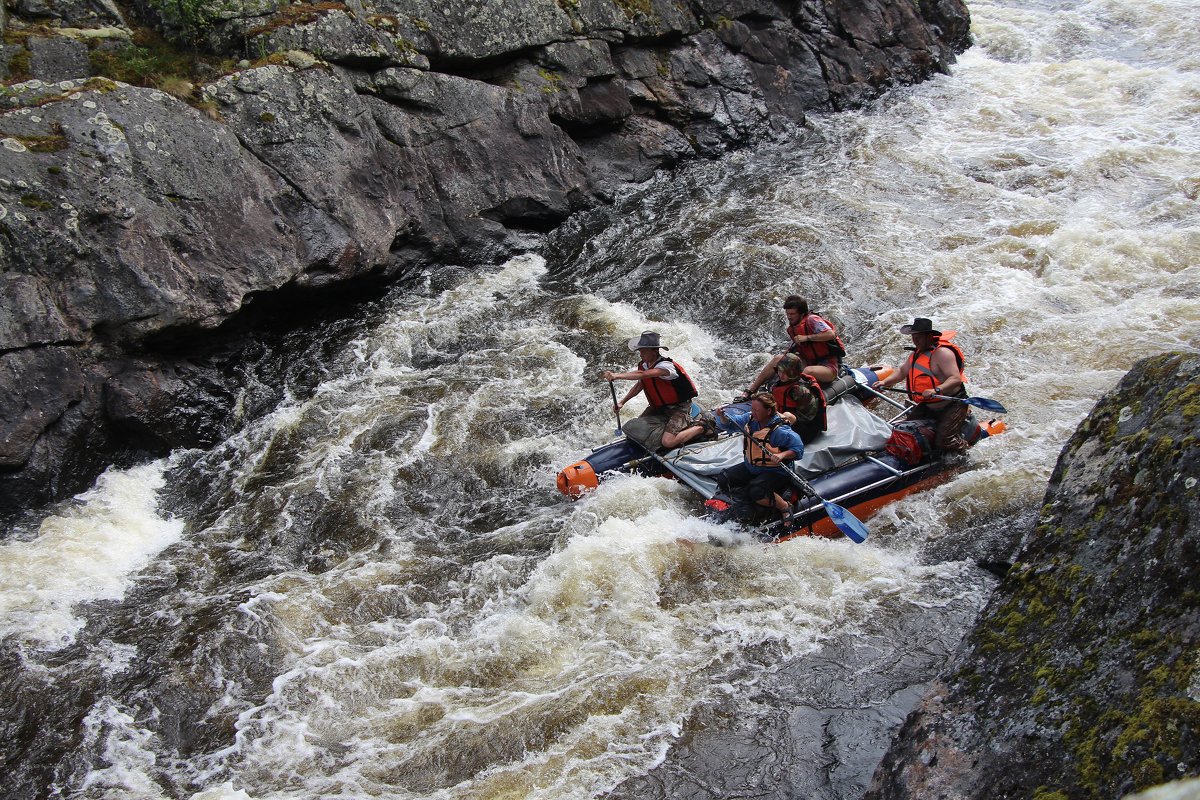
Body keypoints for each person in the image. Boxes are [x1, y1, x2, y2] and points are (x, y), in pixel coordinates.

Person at [602, 331, 713, 453]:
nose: (641, 354)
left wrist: (617, 375)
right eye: (640, 350)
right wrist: (622, 402)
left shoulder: (666, 367)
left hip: (679, 408)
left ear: (654, 351)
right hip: (659, 408)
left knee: (668, 442)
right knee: (636, 431)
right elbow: (640, 384)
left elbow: (643, 375)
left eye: (644, 351)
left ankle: (701, 427)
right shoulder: (644, 365)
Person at [874, 317, 969, 453]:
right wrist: (884, 382)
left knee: (944, 441)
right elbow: (901, 372)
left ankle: (966, 454)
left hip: (952, 405)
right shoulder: (916, 355)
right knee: (903, 431)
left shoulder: (942, 353)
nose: (915, 341)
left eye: (918, 337)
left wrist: (936, 389)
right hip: (928, 405)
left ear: (929, 336)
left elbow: (955, 379)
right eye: (913, 337)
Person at [714, 392, 806, 522]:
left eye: (756, 410)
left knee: (756, 492)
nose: (753, 412)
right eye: (752, 408)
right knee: (724, 478)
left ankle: (784, 506)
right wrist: (722, 417)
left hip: (775, 471)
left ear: (768, 411)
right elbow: (730, 425)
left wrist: (782, 455)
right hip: (752, 466)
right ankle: (737, 502)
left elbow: (798, 449)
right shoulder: (751, 418)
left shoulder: (780, 430)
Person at [740, 295, 847, 397]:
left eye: (792, 314)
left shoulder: (812, 320)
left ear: (801, 313)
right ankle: (750, 391)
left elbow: (830, 334)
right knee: (779, 359)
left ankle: (785, 396)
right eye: (788, 314)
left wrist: (807, 338)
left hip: (828, 366)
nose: (789, 317)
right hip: (809, 361)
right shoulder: (794, 327)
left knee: (807, 371)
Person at [771, 353, 827, 444]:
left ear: (794, 373)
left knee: (787, 416)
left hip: (805, 430)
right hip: (787, 423)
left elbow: (808, 418)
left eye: (786, 372)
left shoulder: (801, 391)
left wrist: (780, 419)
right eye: (780, 371)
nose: (781, 375)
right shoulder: (779, 383)